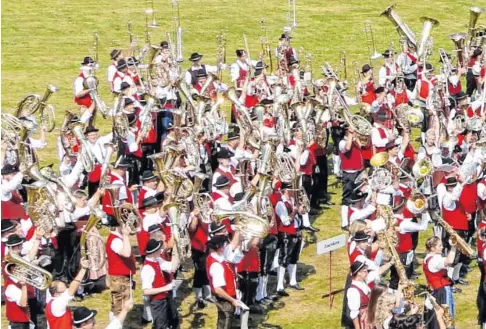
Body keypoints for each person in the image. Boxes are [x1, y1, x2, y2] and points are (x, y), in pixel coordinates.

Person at [206, 234, 245, 329]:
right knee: (225, 324)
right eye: (225, 244)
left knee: (225, 322)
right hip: (225, 299)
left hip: (227, 297)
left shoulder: (218, 256)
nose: (227, 246)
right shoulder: (217, 265)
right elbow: (218, 289)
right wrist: (233, 300)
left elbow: (232, 246)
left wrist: (239, 237)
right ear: (220, 248)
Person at [141, 238, 180, 329]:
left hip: (166, 298)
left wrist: (177, 251)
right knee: (161, 326)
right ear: (154, 252)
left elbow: (172, 267)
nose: (161, 250)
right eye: (159, 249)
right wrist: (166, 288)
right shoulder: (147, 268)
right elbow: (146, 291)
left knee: (174, 320)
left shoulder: (157, 260)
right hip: (157, 302)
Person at [423, 236, 457, 329]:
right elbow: (449, 261)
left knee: (436, 316)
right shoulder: (435, 260)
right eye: (439, 246)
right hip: (442, 291)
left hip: (433, 290)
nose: (442, 247)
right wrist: (454, 247)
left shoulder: (427, 258)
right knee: (446, 316)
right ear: (433, 248)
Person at [45, 259, 90, 329]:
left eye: (66, 288)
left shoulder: (51, 302)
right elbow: (73, 288)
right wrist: (83, 269)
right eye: (64, 291)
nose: (67, 291)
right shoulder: (58, 303)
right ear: (56, 294)